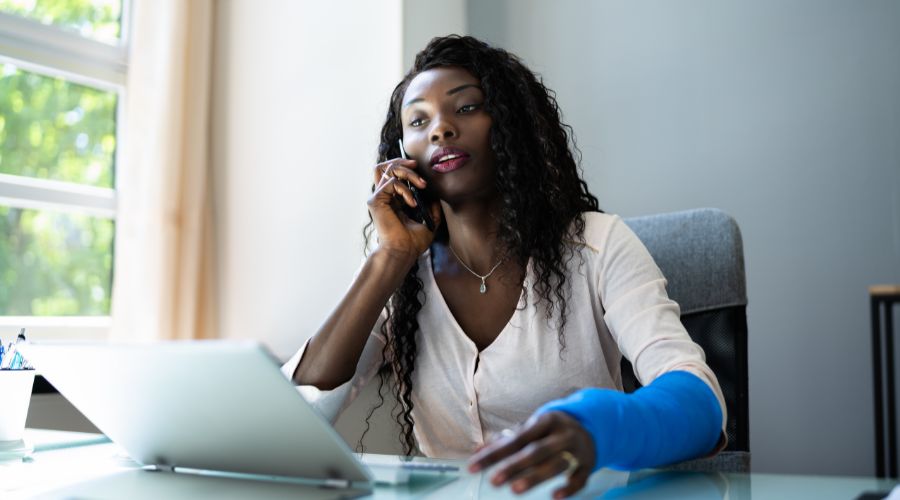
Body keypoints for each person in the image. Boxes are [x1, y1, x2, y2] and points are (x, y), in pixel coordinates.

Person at [281, 35, 726, 498]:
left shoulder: (597, 244)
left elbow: (701, 401)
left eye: (467, 108)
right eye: (418, 120)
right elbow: (297, 415)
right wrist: (389, 257)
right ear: (401, 152)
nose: (440, 129)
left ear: (512, 124)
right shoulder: (402, 277)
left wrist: (595, 425)